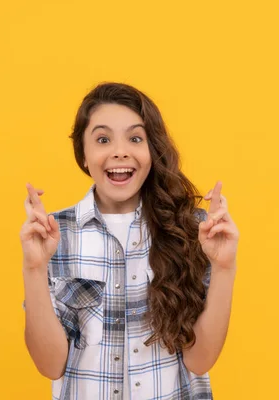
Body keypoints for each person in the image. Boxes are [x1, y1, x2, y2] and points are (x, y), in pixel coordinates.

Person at [21, 82, 239, 399]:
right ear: (83, 155)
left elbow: (200, 359)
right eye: (103, 139)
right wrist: (33, 268)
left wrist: (224, 267)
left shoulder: (193, 229)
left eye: (135, 138)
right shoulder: (55, 233)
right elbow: (50, 365)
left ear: (152, 152)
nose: (120, 150)